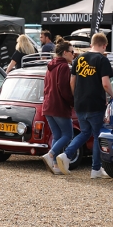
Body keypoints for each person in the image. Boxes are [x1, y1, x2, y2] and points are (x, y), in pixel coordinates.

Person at [57, 33, 113, 178]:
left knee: (84, 133)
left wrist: (76, 96)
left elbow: (72, 82)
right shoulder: (102, 60)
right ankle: (95, 169)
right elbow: (105, 84)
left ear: (91, 44)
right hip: (95, 103)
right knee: (97, 136)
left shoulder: (78, 59)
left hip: (80, 103)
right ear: (104, 45)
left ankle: (66, 155)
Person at [40, 40, 75, 175]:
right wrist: (72, 102)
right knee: (68, 135)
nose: (73, 55)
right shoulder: (64, 66)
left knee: (57, 135)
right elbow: (63, 88)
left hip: (48, 105)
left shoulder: (50, 65)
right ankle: (51, 154)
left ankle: (55, 165)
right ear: (65, 53)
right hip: (59, 106)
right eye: (72, 52)